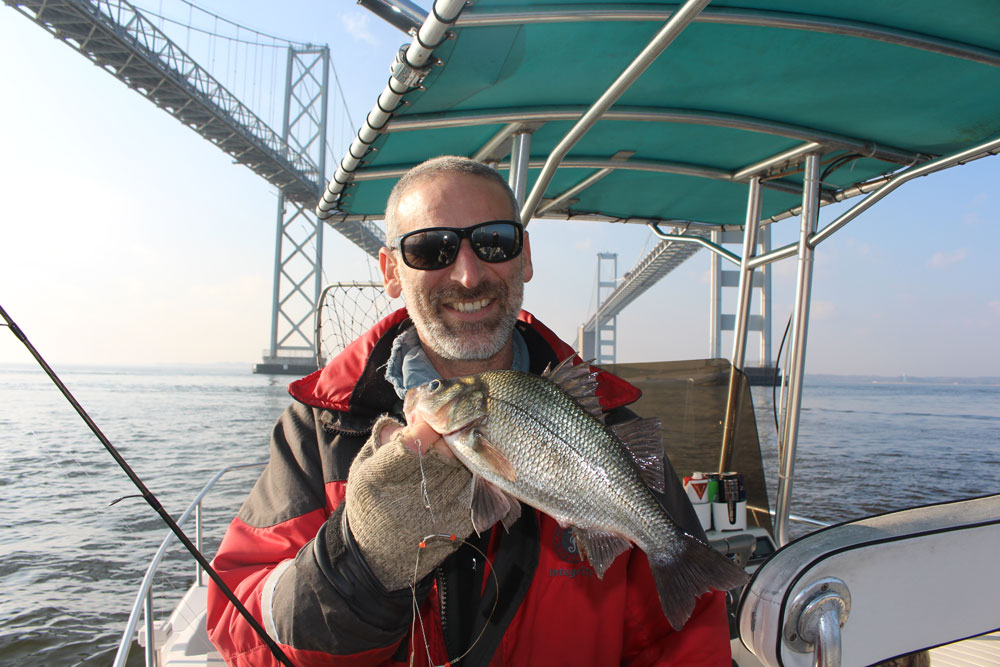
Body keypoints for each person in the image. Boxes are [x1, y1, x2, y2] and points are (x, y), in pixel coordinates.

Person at [206, 156, 732, 666]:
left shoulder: (609, 426)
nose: (466, 273)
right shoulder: (319, 430)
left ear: (525, 256)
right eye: (430, 249)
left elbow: (685, 646)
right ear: (390, 271)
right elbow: (242, 631)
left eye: (494, 241)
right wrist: (360, 559)